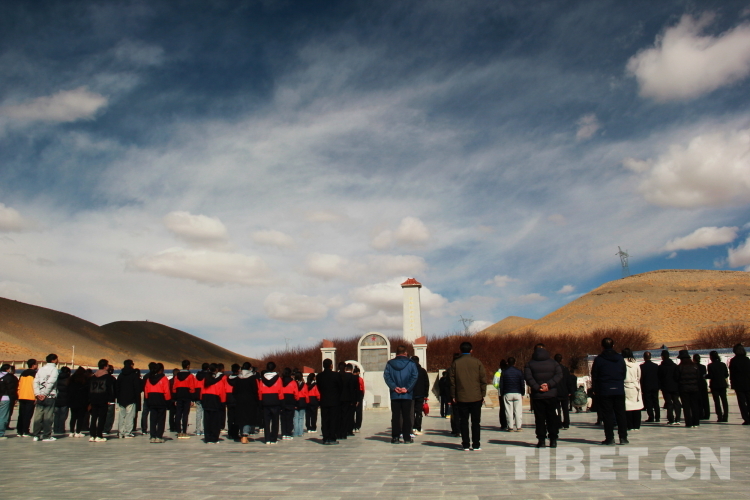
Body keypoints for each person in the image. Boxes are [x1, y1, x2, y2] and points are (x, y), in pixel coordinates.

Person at [590, 338, 628, 445]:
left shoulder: (599, 359)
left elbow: (594, 375)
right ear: (613, 345)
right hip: (618, 389)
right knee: (621, 414)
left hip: (605, 390)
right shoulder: (620, 358)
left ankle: (610, 438)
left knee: (607, 415)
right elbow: (624, 373)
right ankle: (623, 437)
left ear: (602, 346)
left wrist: (595, 389)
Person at [525, 344, 562, 448]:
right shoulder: (553, 363)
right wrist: (549, 385)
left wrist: (537, 387)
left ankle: (541, 440)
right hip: (551, 395)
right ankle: (553, 439)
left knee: (540, 419)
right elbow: (559, 375)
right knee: (552, 418)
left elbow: (528, 378)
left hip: (538, 396)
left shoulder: (529, 364)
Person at [385, 345, 419, 445]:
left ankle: (395, 437)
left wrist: (394, 387)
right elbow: (414, 376)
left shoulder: (390, 364)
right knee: (406, 416)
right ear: (405, 353)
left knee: (395, 416)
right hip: (407, 395)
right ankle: (407, 437)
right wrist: (407, 388)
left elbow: (387, 376)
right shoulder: (411, 363)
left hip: (395, 394)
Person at [32, 354, 59, 442]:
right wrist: (44, 393)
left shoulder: (41, 369)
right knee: (48, 417)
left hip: (40, 396)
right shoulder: (54, 370)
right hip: (49, 396)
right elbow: (51, 382)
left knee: (38, 416)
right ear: (53, 360)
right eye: (57, 359)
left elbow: (35, 382)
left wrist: (37, 393)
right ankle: (46, 435)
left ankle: (36, 435)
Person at [232, 362, 261, 443]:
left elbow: (234, 390)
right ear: (249, 368)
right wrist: (257, 399)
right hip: (250, 400)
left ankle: (242, 433)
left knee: (241, 417)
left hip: (239, 400)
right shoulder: (252, 378)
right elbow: (255, 390)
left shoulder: (238, 378)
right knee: (247, 417)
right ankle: (245, 435)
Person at [88, 359, 115, 442]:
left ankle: (92, 435)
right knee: (102, 418)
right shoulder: (108, 377)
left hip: (93, 399)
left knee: (94, 418)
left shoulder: (93, 377)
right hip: (103, 400)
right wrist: (110, 399)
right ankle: (99, 435)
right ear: (105, 367)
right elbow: (110, 389)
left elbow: (89, 389)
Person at [316, 358, 342, 445]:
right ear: (331, 365)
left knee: (325, 420)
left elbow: (319, 387)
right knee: (333, 420)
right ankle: (332, 438)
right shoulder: (336, 375)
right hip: (334, 401)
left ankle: (325, 438)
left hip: (324, 401)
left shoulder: (319, 376)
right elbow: (340, 387)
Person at [144, 362, 171, 443]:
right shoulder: (164, 379)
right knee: (161, 420)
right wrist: (168, 401)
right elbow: (167, 391)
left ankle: (152, 436)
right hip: (161, 401)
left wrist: (147, 400)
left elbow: (146, 390)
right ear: (161, 370)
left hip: (152, 401)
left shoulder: (149, 379)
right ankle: (159, 436)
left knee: (153, 419)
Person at [257, 361, 283, 444]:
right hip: (275, 401)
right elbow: (280, 391)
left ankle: (267, 439)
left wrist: (260, 402)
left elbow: (260, 391)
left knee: (266, 422)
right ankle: (273, 439)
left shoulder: (262, 379)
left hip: (265, 402)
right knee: (275, 422)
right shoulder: (278, 379)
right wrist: (281, 402)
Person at [675, 350, 701, 428]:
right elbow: (698, 377)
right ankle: (696, 422)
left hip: (684, 389)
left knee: (686, 406)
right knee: (694, 405)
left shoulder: (679, 367)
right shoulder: (695, 366)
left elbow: (676, 378)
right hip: (694, 388)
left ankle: (689, 422)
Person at [500, 357, 525, 432]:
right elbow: (522, 383)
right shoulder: (519, 372)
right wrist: (522, 393)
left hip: (507, 393)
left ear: (507, 363)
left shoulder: (504, 372)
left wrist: (502, 393)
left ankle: (510, 427)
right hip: (517, 393)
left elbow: (502, 384)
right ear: (515, 363)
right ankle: (519, 426)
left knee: (508, 411)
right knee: (518, 411)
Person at [658, 350, 682, 426]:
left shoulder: (661, 367)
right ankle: (678, 418)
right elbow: (677, 376)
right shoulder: (675, 366)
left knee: (669, 403)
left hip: (666, 387)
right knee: (676, 402)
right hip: (675, 387)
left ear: (662, 357)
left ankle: (671, 419)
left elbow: (659, 377)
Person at [729, 344, 750, 425]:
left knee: (742, 402)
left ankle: (746, 418)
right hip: (748, 383)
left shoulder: (733, 361)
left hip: (739, 384)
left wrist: (732, 384)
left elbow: (732, 374)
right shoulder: (747, 359)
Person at [622, 348, 643, 431]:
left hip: (625, 385)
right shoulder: (636, 364)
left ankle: (630, 425)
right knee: (636, 406)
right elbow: (639, 375)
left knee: (627, 407)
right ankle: (636, 425)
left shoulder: (621, 363)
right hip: (635, 386)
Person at [16, 359, 38, 437]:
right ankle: (25, 431)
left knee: (21, 414)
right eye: (36, 364)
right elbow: (35, 386)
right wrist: (36, 397)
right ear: (33, 365)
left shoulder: (23, 373)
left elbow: (19, 385)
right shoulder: (35, 374)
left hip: (22, 396)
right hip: (30, 396)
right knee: (28, 415)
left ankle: (19, 431)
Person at [706, 350, 729, 422]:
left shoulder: (710, 365)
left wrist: (705, 376)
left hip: (714, 385)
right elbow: (726, 375)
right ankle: (725, 416)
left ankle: (719, 416)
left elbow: (711, 376)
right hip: (722, 384)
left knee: (717, 401)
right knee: (724, 400)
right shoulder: (723, 364)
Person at [67, 367, 89, 437]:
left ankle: (71, 431)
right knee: (80, 417)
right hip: (82, 401)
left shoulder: (71, 379)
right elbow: (87, 392)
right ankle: (78, 431)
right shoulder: (84, 380)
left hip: (73, 401)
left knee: (73, 416)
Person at [639, 351, 660, 423]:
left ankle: (651, 416)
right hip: (655, 386)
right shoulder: (656, 366)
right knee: (656, 401)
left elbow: (641, 378)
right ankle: (657, 417)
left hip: (646, 386)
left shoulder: (642, 367)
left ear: (644, 358)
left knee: (648, 402)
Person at [338, 363, 358, 439]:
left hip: (340, 398)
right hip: (349, 399)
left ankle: (341, 431)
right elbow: (354, 389)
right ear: (352, 369)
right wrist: (355, 400)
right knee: (349, 416)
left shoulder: (340, 376)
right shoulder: (353, 377)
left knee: (341, 415)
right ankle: (348, 430)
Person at [411, 356, 430, 435]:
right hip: (420, 394)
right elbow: (426, 383)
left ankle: (412, 427)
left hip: (411, 395)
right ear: (418, 361)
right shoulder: (423, 371)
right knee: (419, 412)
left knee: (411, 412)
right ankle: (418, 427)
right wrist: (426, 394)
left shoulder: (410, 370)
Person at [0, 364, 19, 439]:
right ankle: (0, 433)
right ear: (8, 369)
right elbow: (12, 389)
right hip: (5, 398)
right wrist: (15, 398)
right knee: (3, 416)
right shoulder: (10, 377)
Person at [554, 354, 571, 430]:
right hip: (564, 391)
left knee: (557, 409)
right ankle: (566, 423)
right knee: (565, 409)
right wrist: (570, 390)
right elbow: (568, 381)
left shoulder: (553, 369)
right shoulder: (565, 369)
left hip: (556, 391)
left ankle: (558, 423)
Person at [280, 367, 298, 440]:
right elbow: (296, 393)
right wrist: (296, 401)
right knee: (290, 418)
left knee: (283, 418)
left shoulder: (280, 381)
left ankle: (284, 433)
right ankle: (288, 433)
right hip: (291, 401)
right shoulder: (293, 382)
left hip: (282, 400)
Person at [53, 366, 71, 436]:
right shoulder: (69, 379)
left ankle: (55, 429)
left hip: (56, 399)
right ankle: (61, 429)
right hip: (65, 400)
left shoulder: (56, 378)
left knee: (56, 415)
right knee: (63, 416)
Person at [193, 362, 210, 436]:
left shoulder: (197, 376)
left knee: (198, 413)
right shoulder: (208, 376)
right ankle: (204, 429)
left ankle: (198, 430)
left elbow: (194, 385)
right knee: (205, 414)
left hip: (197, 396)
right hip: (205, 396)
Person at [693, 354, 710, 420]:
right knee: (705, 399)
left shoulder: (693, 367)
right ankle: (707, 414)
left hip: (697, 384)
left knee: (698, 400)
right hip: (703, 383)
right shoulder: (703, 367)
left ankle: (700, 414)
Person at [293, 371, 307, 437]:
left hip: (295, 401)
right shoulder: (304, 385)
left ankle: (296, 432)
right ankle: (300, 432)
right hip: (302, 401)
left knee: (295, 418)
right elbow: (306, 394)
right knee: (301, 418)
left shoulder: (293, 384)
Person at [352, 367, 365, 433]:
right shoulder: (360, 379)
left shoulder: (352, 378)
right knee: (359, 412)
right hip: (359, 395)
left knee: (352, 412)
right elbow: (362, 388)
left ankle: (353, 426)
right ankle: (357, 426)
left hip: (353, 395)